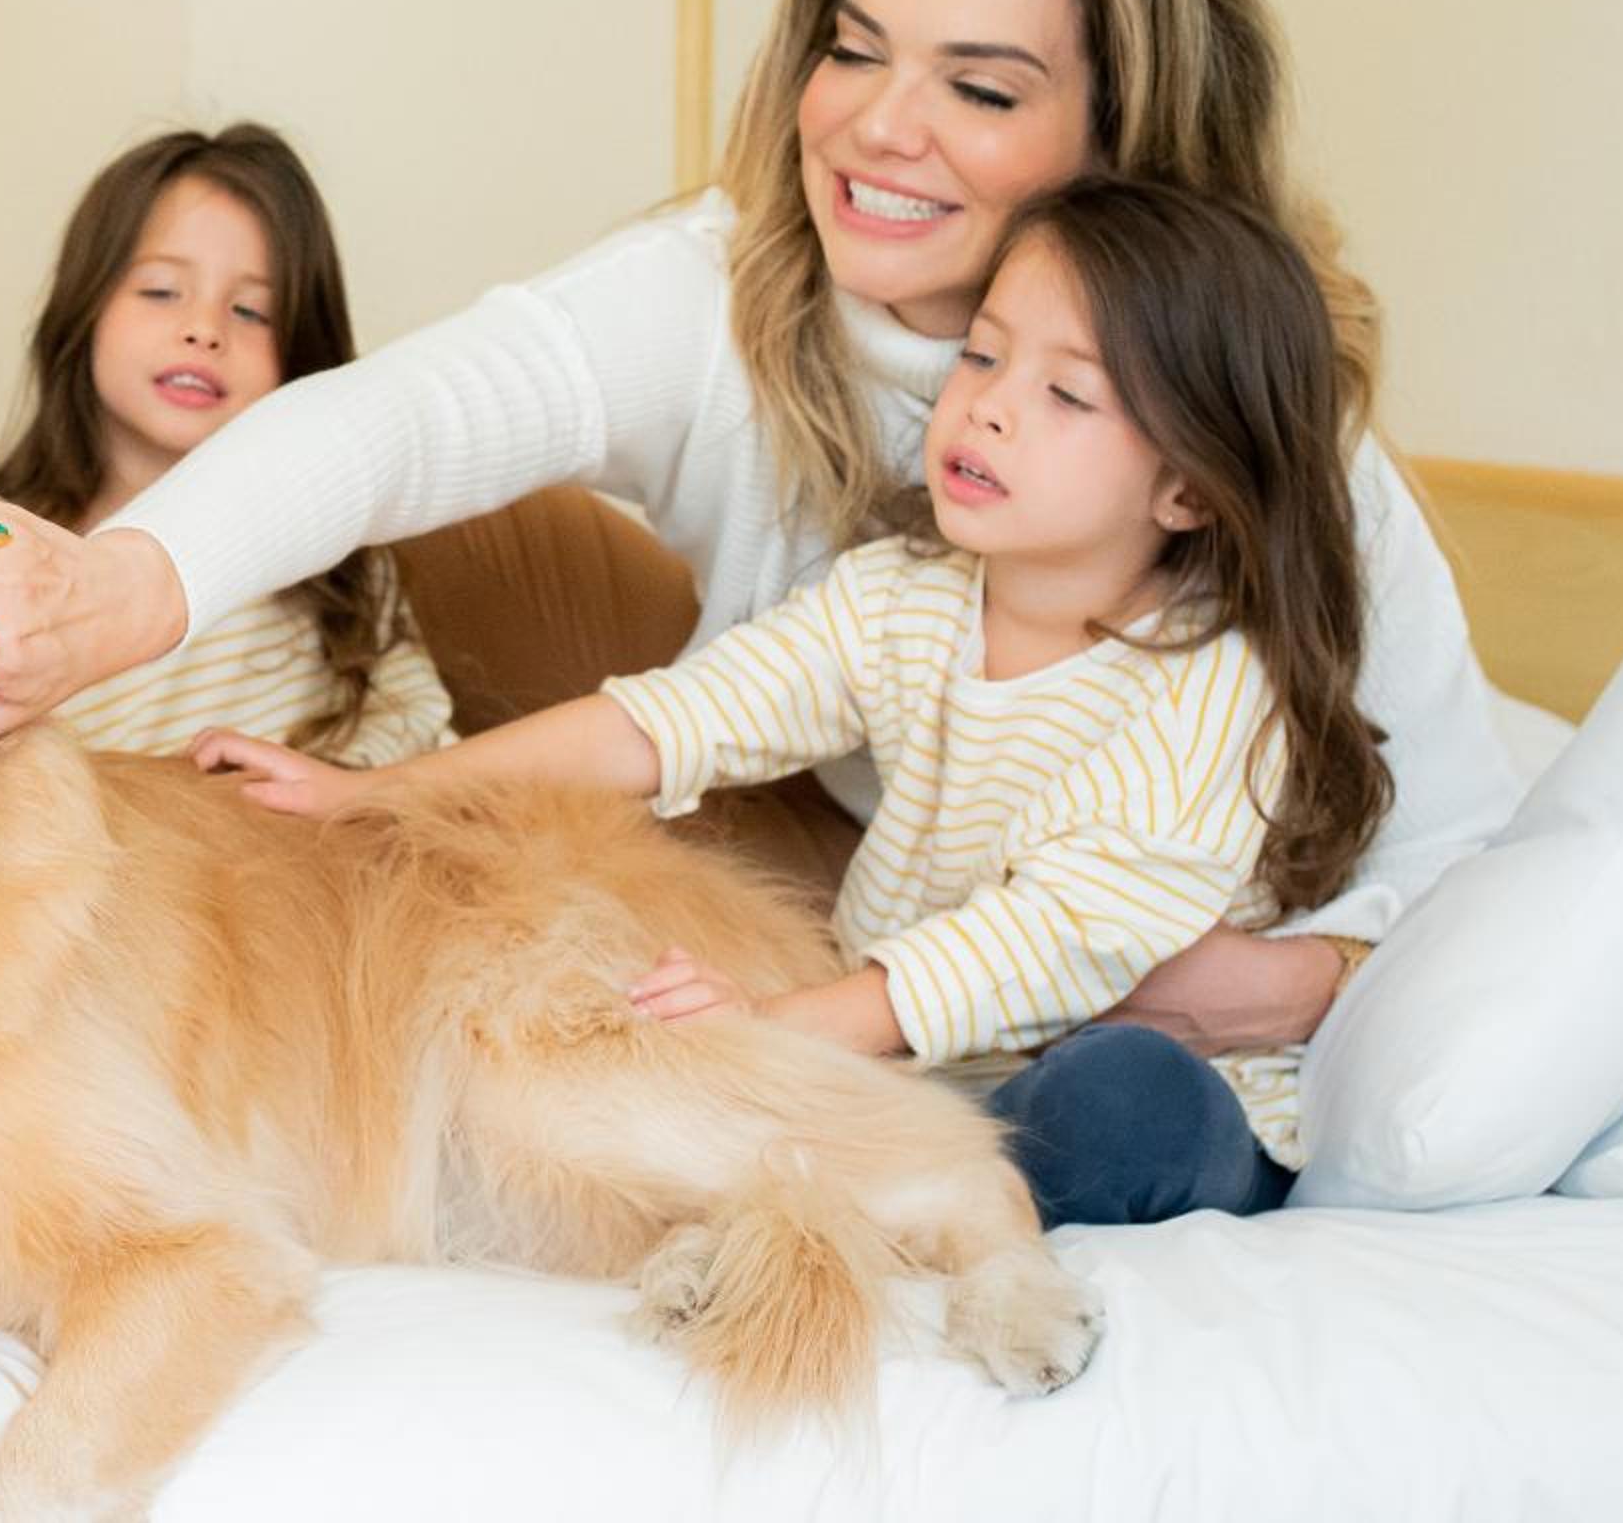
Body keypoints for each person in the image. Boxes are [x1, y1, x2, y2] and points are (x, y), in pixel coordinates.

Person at [0, 0, 1523, 1061]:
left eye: (980, 89)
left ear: (1125, 145)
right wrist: (118, 594)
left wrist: (1290, 982)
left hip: (1061, 919)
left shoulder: (1255, 424)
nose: (878, 126)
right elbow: (411, 417)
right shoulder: (723, 287)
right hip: (818, 838)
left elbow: (1465, 838)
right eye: (855, 51)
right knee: (467, 502)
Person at [201, 177, 1383, 1224]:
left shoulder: (1214, 688)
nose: (988, 406)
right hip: (917, 1067)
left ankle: (990, 1187)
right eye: (982, 356)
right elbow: (670, 720)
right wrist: (379, 792)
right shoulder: (905, 597)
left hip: (1126, 1071)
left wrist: (776, 1028)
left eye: (1067, 394)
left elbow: (1043, 939)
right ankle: (914, 1175)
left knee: (1119, 1098)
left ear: (1188, 489)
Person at [0, 124, 452, 764]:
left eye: (251, 311)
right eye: (161, 291)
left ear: (299, 355)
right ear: (84, 309)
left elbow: (414, 729)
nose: (204, 330)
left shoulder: (334, 552)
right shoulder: (3, 551)